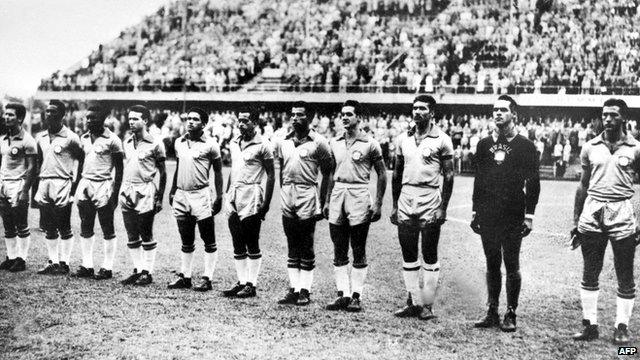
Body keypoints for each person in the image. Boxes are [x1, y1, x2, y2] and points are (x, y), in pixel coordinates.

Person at [571, 98, 640, 344]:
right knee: (590, 271)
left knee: (624, 273)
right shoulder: (590, 146)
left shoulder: (636, 148)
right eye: (604, 115)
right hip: (593, 212)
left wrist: (638, 218)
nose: (607, 119)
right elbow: (582, 185)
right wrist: (576, 218)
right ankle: (590, 325)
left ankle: (621, 327)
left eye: (613, 115)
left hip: (621, 212)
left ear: (624, 118)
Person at [471, 95, 540, 332]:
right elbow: (479, 180)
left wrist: (529, 216)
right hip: (488, 212)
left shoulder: (525, 146)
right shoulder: (483, 144)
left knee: (511, 262)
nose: (498, 113)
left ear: (514, 115)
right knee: (491, 263)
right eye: (495, 110)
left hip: (513, 212)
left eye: (503, 110)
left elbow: (533, 183)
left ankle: (511, 312)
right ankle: (492, 311)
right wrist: (475, 210)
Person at [390, 95, 454, 320]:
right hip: (406, 198)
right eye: (415, 108)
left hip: (429, 199)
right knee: (408, 253)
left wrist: (443, 208)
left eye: (422, 109)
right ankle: (412, 301)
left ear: (432, 113)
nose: (417, 112)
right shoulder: (402, 139)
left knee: (429, 252)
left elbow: (449, 175)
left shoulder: (442, 139)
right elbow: (396, 174)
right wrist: (395, 205)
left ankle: (427, 304)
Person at [323, 100, 387, 312]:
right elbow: (331, 173)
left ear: (359, 118)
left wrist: (377, 203)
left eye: (349, 114)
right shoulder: (335, 142)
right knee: (338, 246)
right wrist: (326, 200)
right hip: (338, 194)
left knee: (358, 247)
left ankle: (356, 296)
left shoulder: (370, 143)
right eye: (342, 114)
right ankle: (343, 294)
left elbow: (382, 173)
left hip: (359, 194)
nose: (344, 117)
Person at [273, 101, 332, 306]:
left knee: (306, 242)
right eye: (293, 114)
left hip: (307, 191)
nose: (295, 118)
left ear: (310, 117)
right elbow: (281, 169)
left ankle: (305, 290)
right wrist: (283, 190)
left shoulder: (319, 142)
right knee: (291, 241)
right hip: (288, 192)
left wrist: (323, 200)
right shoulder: (284, 141)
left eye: (300, 115)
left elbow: (328, 172)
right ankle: (294, 288)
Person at [167, 107, 223, 292]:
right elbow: (178, 166)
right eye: (188, 118)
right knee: (186, 237)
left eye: (195, 119)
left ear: (204, 124)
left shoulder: (211, 144)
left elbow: (218, 171)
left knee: (208, 237)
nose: (190, 122)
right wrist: (173, 189)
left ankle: (207, 277)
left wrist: (219, 196)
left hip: (201, 194)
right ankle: (186, 276)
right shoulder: (179, 142)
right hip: (182, 194)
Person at [223, 106, 275, 298]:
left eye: (245, 121)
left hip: (251, 192)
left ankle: (251, 284)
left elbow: (271, 175)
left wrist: (266, 203)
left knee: (251, 239)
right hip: (234, 193)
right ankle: (241, 281)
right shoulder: (234, 142)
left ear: (254, 122)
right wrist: (228, 193)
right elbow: (234, 169)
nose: (241, 124)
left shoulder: (263, 144)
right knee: (236, 239)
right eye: (240, 120)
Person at [34, 100, 85, 275]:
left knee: (64, 224)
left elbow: (82, 160)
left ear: (62, 115)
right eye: (47, 111)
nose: (49, 115)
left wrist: (75, 185)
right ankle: (53, 261)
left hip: (63, 182)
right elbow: (39, 162)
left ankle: (64, 262)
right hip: (44, 182)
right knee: (48, 225)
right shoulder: (40, 137)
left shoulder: (71, 137)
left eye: (53, 112)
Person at [73, 105, 124, 280]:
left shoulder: (113, 140)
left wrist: (115, 194)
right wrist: (76, 186)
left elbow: (120, 169)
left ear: (103, 119)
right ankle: (87, 265)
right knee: (85, 225)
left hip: (103, 184)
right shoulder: (84, 138)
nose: (89, 121)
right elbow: (81, 163)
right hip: (86, 183)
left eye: (93, 118)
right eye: (87, 118)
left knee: (107, 226)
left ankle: (107, 267)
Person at [119, 105, 167, 286]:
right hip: (128, 189)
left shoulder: (156, 143)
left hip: (146, 190)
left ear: (145, 120)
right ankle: (138, 269)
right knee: (131, 233)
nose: (131, 122)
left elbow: (163, 172)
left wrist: (159, 197)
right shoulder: (127, 142)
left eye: (136, 119)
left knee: (145, 232)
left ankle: (147, 272)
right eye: (130, 119)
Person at [0, 103, 37, 272]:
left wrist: (25, 191)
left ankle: (22, 259)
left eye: (11, 115)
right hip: (4, 184)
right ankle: (11, 256)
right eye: (5, 114)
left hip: (18, 185)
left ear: (20, 118)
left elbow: (31, 167)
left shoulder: (28, 140)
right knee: (7, 223)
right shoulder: (2, 139)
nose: (6, 117)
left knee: (21, 223)